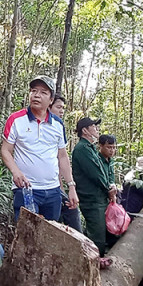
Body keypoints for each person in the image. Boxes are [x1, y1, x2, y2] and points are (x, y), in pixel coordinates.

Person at [1, 76, 78, 222]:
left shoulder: (57, 124)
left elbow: (62, 156)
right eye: (33, 91)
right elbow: (5, 150)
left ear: (51, 100)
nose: (36, 95)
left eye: (43, 92)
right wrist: (15, 171)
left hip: (53, 190)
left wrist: (71, 186)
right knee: (27, 235)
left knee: (50, 235)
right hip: (26, 190)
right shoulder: (16, 120)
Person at [71, 117, 116, 267]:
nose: (96, 129)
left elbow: (103, 171)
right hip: (91, 199)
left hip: (99, 198)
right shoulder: (82, 149)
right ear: (85, 130)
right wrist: (108, 189)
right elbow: (95, 174)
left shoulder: (90, 148)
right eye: (93, 126)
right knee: (97, 235)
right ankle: (93, 265)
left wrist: (111, 186)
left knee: (103, 232)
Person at [49, 94, 81, 233]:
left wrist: (66, 187)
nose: (61, 111)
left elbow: (61, 157)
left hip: (57, 186)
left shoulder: (58, 125)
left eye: (63, 108)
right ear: (48, 106)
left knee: (71, 211)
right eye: (58, 107)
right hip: (42, 186)